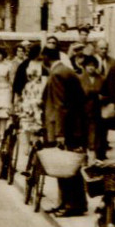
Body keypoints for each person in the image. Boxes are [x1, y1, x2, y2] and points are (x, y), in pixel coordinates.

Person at [42, 45, 89, 217]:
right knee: (69, 166)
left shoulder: (56, 74)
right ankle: (66, 202)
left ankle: (72, 204)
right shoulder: (65, 71)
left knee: (67, 166)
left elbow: (60, 105)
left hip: (67, 129)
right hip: (75, 126)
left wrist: (60, 133)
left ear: (47, 58)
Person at [92, 39, 115, 161]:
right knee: (94, 126)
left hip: (108, 99)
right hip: (93, 100)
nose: (103, 51)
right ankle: (94, 149)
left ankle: (101, 151)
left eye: (105, 48)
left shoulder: (113, 63)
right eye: (101, 48)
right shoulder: (90, 62)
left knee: (104, 127)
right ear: (96, 48)